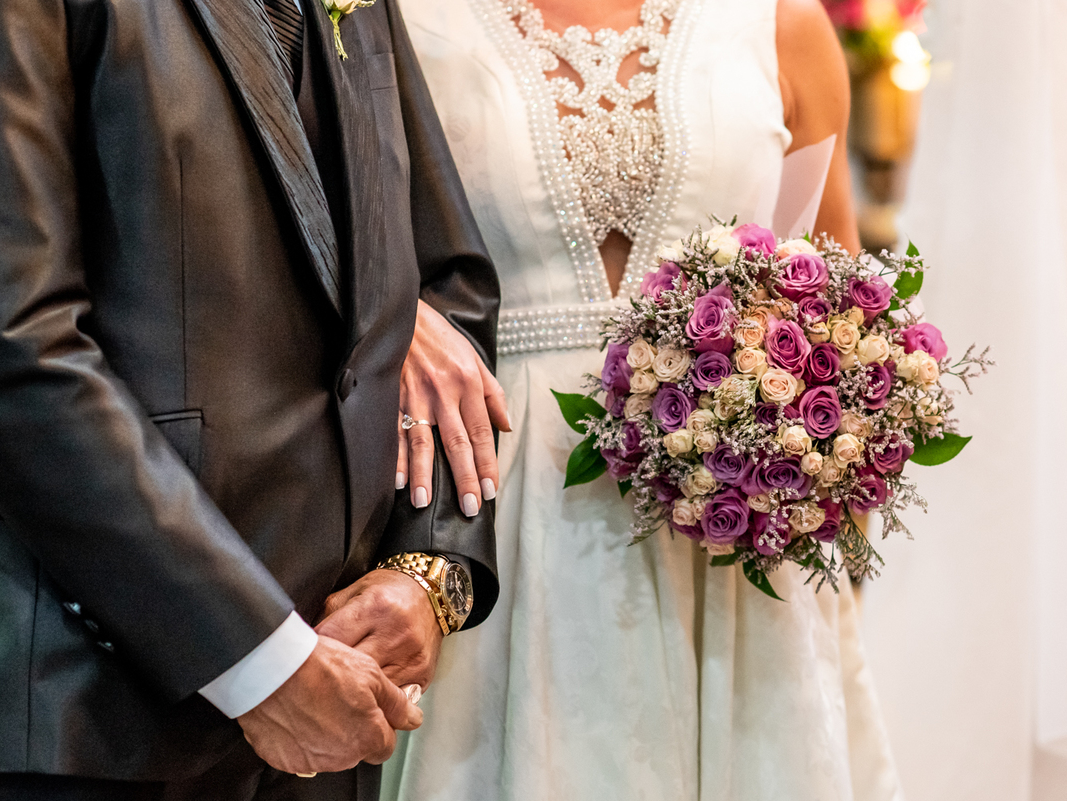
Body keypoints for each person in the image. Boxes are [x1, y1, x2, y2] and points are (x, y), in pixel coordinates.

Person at [0, 0, 504, 799]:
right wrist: (258, 658)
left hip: (337, 709)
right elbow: (1, 343)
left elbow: (445, 289)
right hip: (79, 719)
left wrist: (426, 571)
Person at [383, 0, 903, 798]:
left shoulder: (782, 26)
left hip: (733, 562)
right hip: (493, 511)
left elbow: (840, 315)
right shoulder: (405, 21)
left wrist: (797, 443)